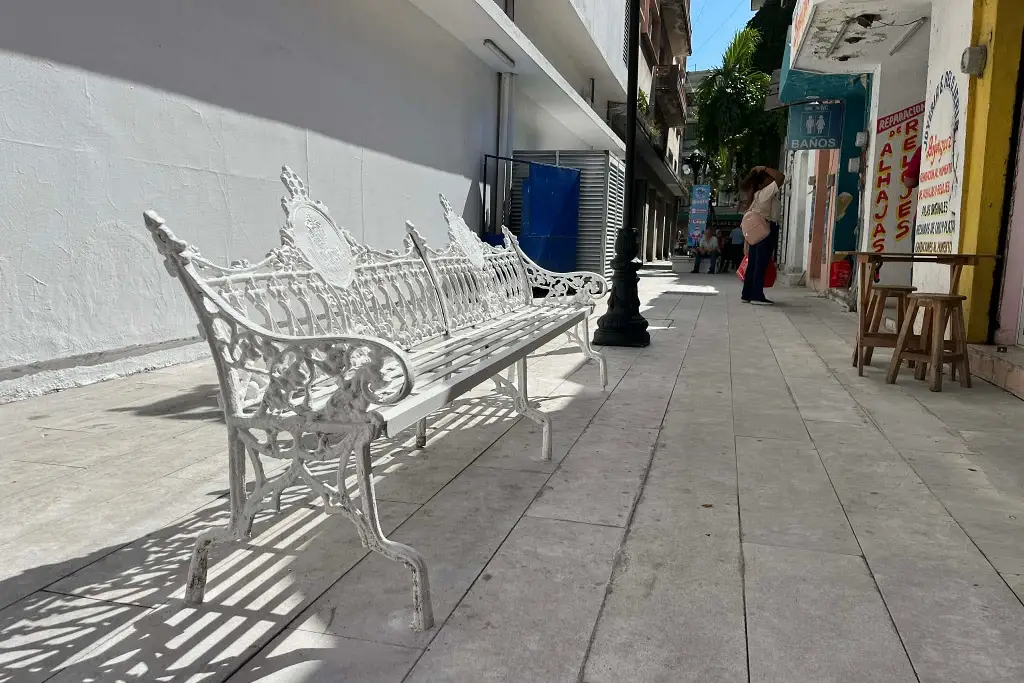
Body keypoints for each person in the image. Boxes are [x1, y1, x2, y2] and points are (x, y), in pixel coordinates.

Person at [740, 165, 785, 304]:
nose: (772, 180)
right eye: (769, 178)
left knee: (754, 264)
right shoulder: (766, 192)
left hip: (757, 232)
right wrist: (764, 168)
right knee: (760, 264)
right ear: (764, 180)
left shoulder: (756, 195)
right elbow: (781, 177)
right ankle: (756, 295)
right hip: (766, 230)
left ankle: (747, 294)